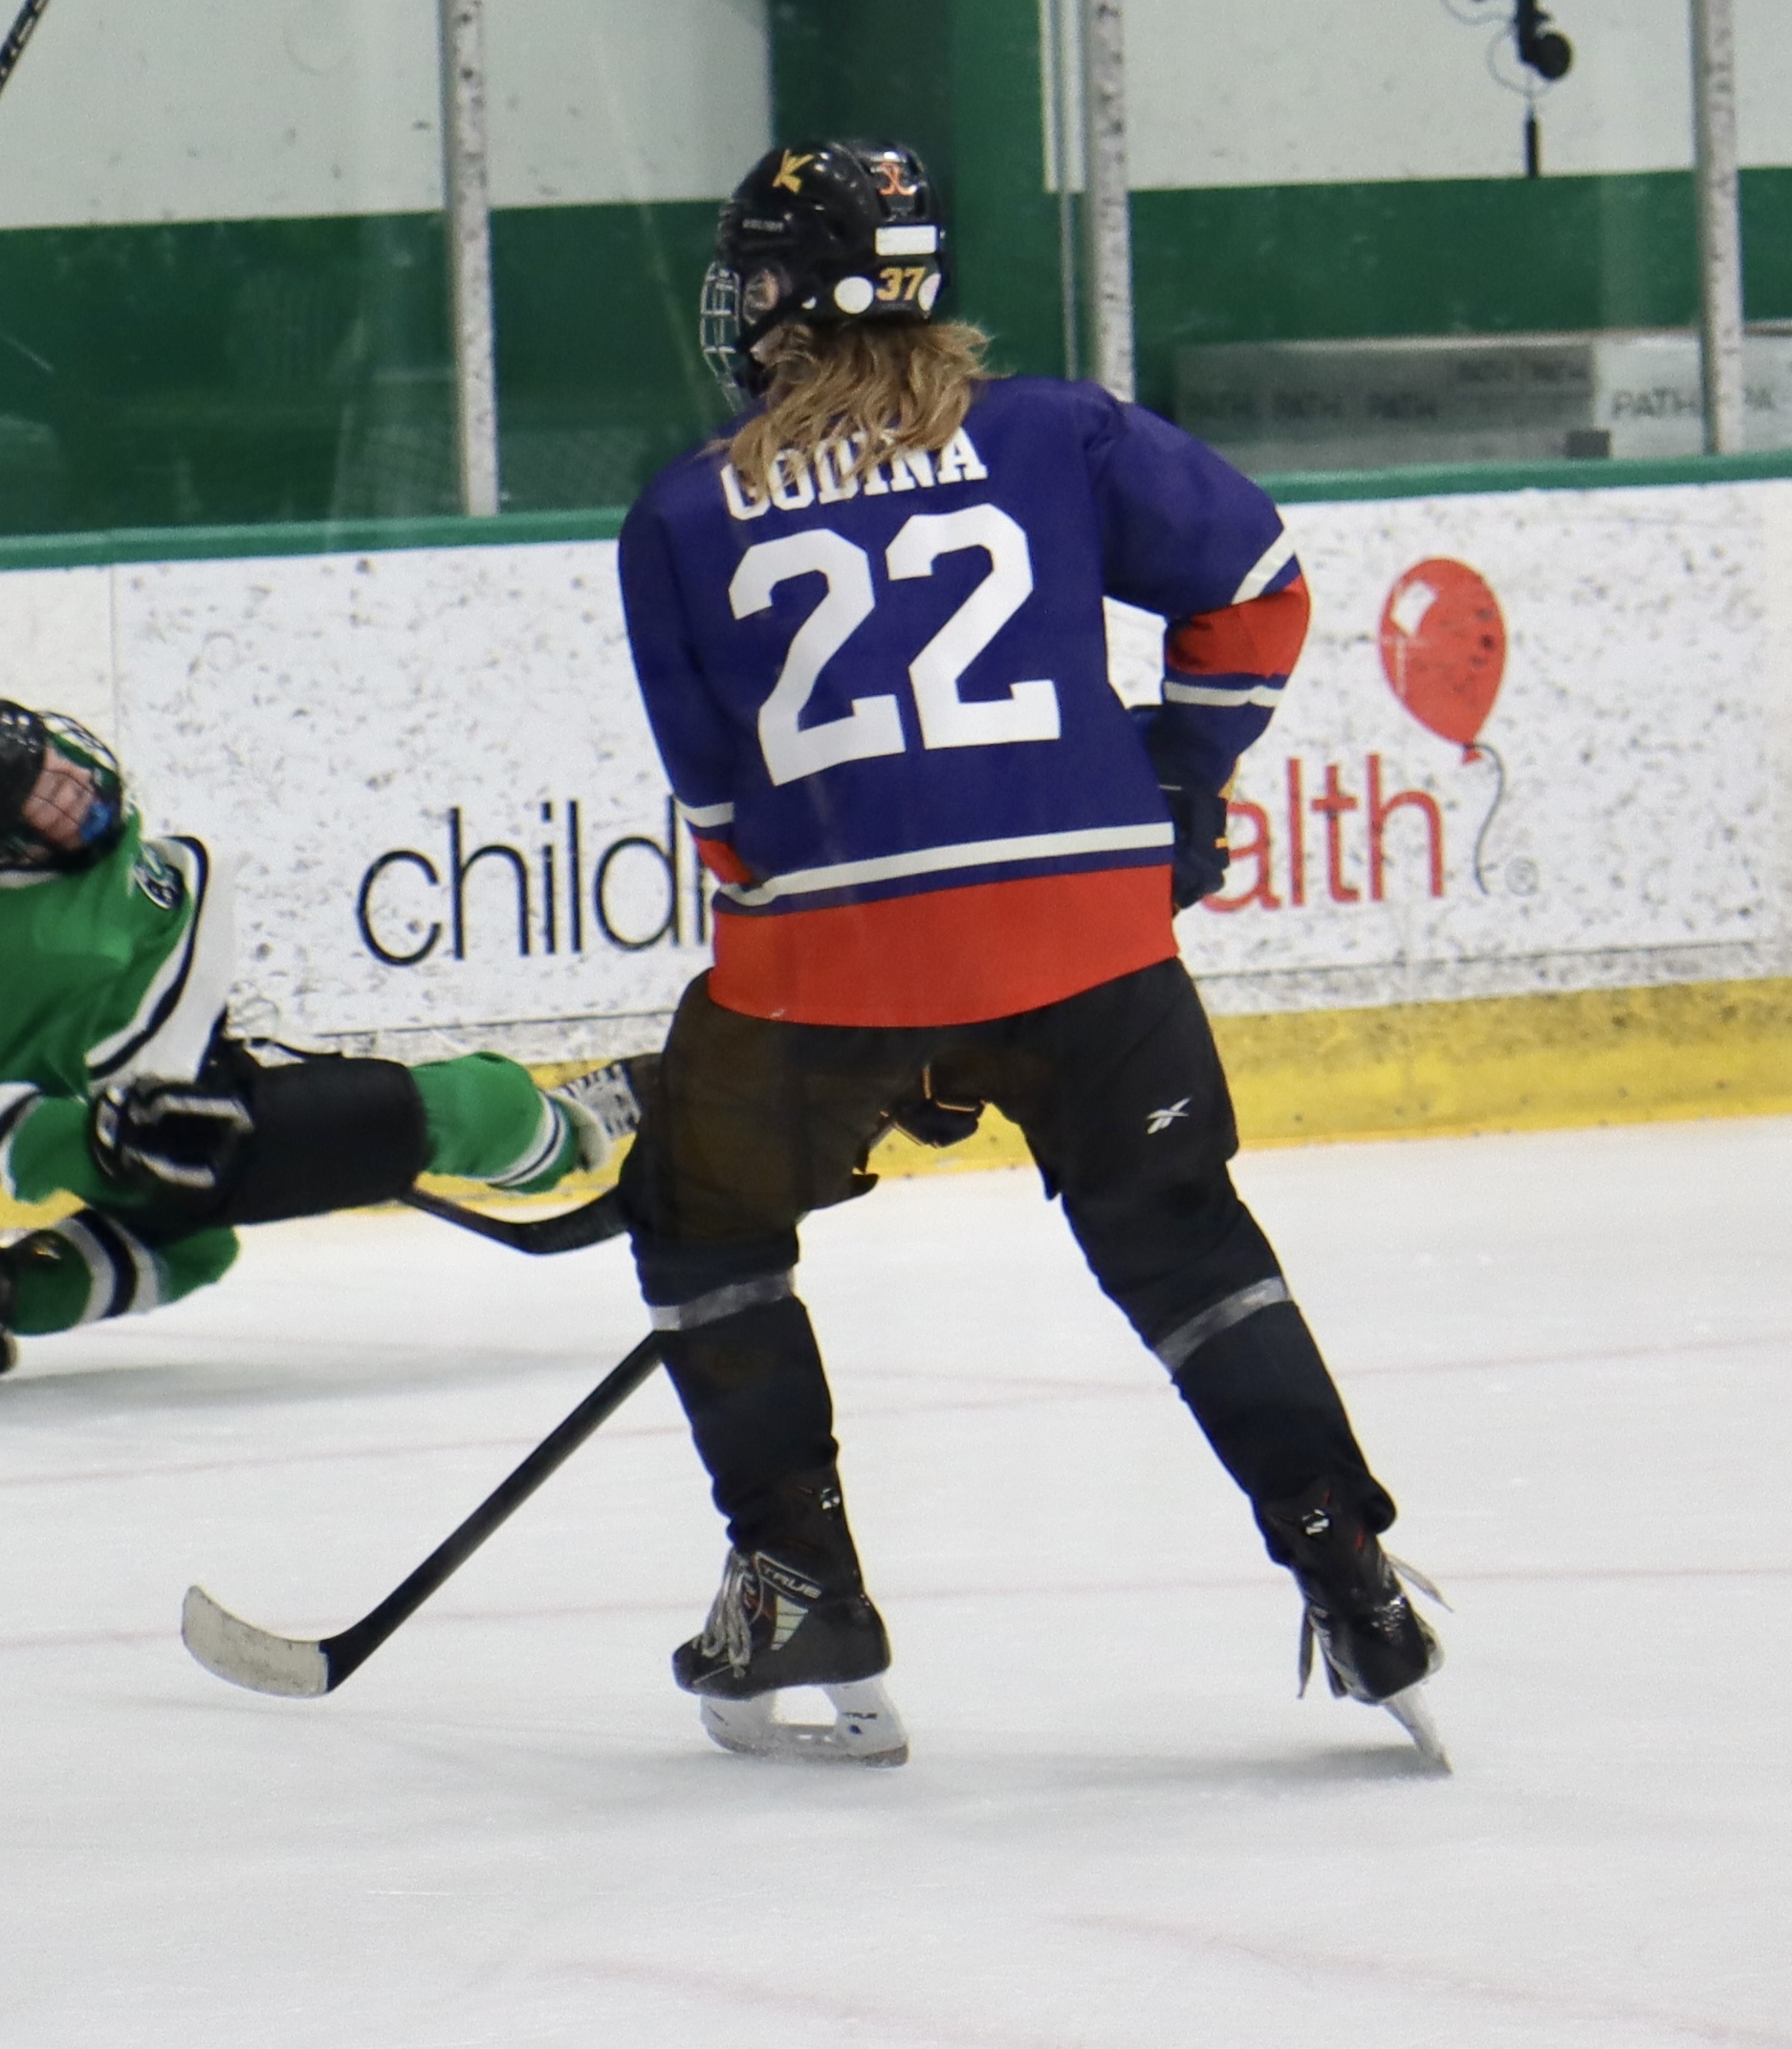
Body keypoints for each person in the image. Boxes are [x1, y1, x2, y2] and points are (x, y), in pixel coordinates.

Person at [601, 138, 1437, 1769]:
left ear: (797, 295)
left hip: (829, 963)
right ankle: (1344, 1561)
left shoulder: (682, 513)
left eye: (757, 270)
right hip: (1089, 941)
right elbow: (1256, 590)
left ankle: (794, 1574)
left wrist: (883, 1027)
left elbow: (723, 823)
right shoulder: (1057, 434)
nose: (739, 300)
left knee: (700, 1218)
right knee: (1183, 1244)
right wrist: (1180, 777)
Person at [0, 678, 641, 1395]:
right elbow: (10, 1135)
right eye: (49, 803)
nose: (76, 786)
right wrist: (109, 1138)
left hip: (176, 1068)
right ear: (8, 848)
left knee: (186, 1249)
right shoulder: (47, 952)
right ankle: (573, 1132)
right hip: (187, 1120)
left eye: (57, 766)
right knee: (466, 1107)